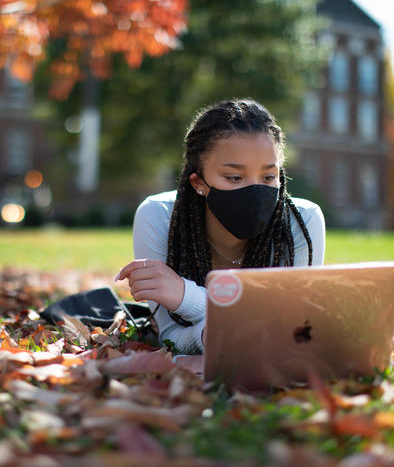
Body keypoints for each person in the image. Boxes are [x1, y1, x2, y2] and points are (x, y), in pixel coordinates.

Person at [116, 99, 325, 354]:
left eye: (269, 177)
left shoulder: (302, 220)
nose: (254, 189)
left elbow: (292, 329)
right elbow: (170, 336)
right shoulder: (158, 216)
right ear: (198, 182)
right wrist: (211, 334)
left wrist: (186, 297)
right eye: (234, 177)